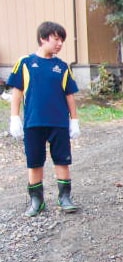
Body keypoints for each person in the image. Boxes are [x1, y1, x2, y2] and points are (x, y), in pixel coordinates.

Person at [7, 21, 81, 217]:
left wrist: (74, 120)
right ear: (43, 38)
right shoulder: (25, 63)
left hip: (58, 123)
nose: (59, 44)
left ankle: (65, 197)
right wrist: (14, 117)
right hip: (34, 123)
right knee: (34, 162)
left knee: (62, 161)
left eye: (62, 40)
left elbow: (69, 95)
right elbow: (17, 92)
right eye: (56, 39)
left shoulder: (62, 67)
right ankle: (36, 201)